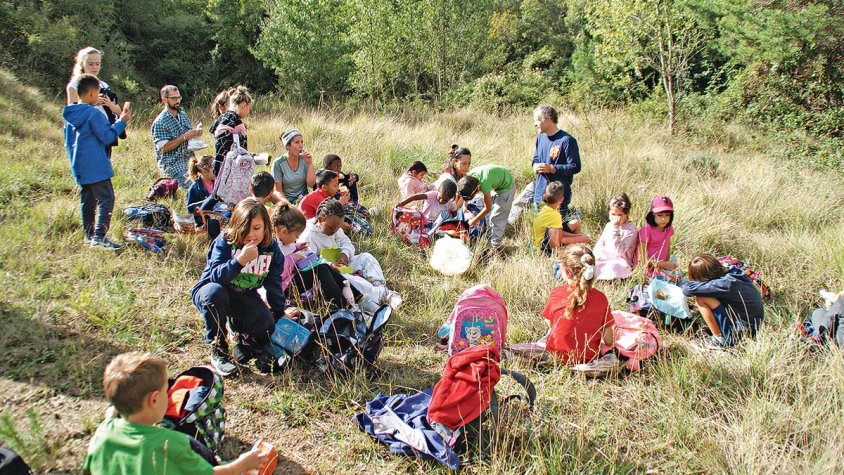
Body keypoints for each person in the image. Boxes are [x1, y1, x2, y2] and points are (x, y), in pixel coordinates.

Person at [84, 352, 267, 474]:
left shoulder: (102, 435)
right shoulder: (170, 444)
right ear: (154, 399)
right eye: (166, 390)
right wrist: (242, 464)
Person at [190, 198, 288, 376]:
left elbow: (274, 285)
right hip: (211, 292)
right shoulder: (226, 241)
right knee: (215, 293)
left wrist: (279, 315)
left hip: (242, 295)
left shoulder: (271, 249)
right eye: (245, 228)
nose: (251, 234)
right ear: (236, 226)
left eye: (257, 228)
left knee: (266, 324)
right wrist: (240, 260)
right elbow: (217, 277)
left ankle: (243, 337)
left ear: (266, 226)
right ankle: (218, 349)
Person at [63, 74, 129, 251]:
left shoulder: (70, 115)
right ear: (92, 93)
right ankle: (99, 237)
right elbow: (107, 136)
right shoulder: (93, 114)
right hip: (96, 163)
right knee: (107, 198)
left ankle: (89, 235)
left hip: (79, 164)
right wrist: (121, 122)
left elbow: (68, 142)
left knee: (88, 200)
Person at [298, 199, 401, 309]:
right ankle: (382, 295)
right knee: (348, 280)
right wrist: (330, 265)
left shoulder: (334, 226)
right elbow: (310, 263)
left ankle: (379, 287)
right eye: (331, 227)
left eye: (338, 227)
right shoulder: (308, 235)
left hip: (341, 262)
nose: (335, 231)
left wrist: (345, 254)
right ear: (320, 219)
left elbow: (346, 242)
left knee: (366, 257)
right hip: (330, 272)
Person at [271, 204, 361, 311]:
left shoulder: (283, 241)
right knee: (321, 271)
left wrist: (298, 246)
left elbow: (288, 249)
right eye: (296, 236)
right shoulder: (271, 247)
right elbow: (278, 271)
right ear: (284, 232)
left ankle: (358, 296)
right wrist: (294, 257)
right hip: (282, 288)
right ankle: (345, 306)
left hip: (290, 280)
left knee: (324, 267)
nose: (297, 239)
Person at [540, 244, 613, 364]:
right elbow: (609, 340)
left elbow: (549, 321)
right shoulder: (601, 298)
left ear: (567, 272)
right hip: (589, 358)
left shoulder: (556, 293)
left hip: (556, 357)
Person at [509, 104, 581, 224]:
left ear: (548, 119)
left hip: (558, 193)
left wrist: (552, 168)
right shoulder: (540, 138)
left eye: (537, 120)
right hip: (540, 191)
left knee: (558, 227)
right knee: (539, 226)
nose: (534, 124)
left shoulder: (567, 140)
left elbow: (575, 166)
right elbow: (536, 158)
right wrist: (534, 166)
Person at [682, 254, 765, 348]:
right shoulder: (733, 272)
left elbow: (687, 290)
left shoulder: (723, 284)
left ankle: (719, 340)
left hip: (743, 332)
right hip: (753, 324)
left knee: (701, 298)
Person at [65, 47, 125, 156]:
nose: (95, 67)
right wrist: (91, 101)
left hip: (105, 133)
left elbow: (118, 111)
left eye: (97, 64)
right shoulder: (74, 86)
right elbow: (73, 116)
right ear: (82, 64)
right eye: (91, 64)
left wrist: (110, 105)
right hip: (87, 137)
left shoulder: (104, 85)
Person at [151, 85, 202, 187]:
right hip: (173, 164)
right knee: (194, 186)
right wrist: (184, 137)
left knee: (210, 177)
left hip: (190, 160)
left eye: (179, 97)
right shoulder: (160, 122)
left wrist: (196, 133)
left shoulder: (182, 115)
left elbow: (188, 137)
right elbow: (163, 148)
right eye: (173, 98)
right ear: (164, 100)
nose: (177, 101)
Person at [456, 164, 516, 251]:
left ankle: (495, 247)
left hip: (507, 187)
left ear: (478, 187)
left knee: (497, 218)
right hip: (497, 182)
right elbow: (466, 193)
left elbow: (487, 208)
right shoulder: (469, 179)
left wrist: (472, 222)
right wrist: (464, 207)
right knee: (489, 216)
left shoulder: (484, 183)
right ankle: (488, 238)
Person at [532, 181, 588, 255]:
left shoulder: (545, 208)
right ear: (562, 200)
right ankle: (558, 254)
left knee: (575, 223)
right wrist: (581, 239)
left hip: (550, 237)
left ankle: (573, 248)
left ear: (544, 196)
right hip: (543, 247)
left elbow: (560, 231)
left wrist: (576, 236)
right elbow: (561, 239)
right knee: (552, 230)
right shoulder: (555, 215)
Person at [593, 193, 638, 280]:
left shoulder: (631, 229)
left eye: (620, 215)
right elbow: (600, 243)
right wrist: (596, 254)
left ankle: (607, 278)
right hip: (606, 257)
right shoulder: (609, 225)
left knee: (613, 266)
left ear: (627, 213)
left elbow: (620, 250)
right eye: (613, 214)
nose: (616, 218)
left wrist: (615, 228)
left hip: (621, 262)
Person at [213, 86, 252, 176]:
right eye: (248, 108)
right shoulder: (233, 118)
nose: (248, 111)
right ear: (244, 106)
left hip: (222, 163)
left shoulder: (224, 116)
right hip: (228, 167)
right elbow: (222, 136)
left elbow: (213, 130)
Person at [637, 194, 678, 277]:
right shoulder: (645, 231)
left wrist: (666, 263)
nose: (664, 219)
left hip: (662, 264)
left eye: (667, 215)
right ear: (652, 214)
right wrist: (663, 265)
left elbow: (667, 247)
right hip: (647, 267)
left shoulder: (668, 228)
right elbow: (641, 258)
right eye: (660, 215)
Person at [271, 129, 316, 203]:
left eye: (302, 142)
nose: (301, 146)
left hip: (303, 200)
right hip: (286, 201)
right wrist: (289, 205)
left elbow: (311, 184)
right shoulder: (278, 163)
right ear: (288, 145)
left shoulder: (304, 160)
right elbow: (278, 190)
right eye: (297, 142)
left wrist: (310, 164)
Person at [186, 155, 216, 225]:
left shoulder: (217, 182)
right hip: (204, 219)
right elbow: (191, 209)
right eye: (214, 168)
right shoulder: (195, 188)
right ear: (204, 171)